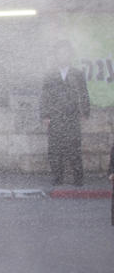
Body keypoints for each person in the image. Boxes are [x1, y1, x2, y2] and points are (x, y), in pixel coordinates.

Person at [40, 40, 90, 186]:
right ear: (56, 55)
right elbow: (44, 96)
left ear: (70, 55)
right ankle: (57, 177)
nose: (62, 56)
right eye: (60, 53)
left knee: (74, 147)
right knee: (55, 148)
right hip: (55, 117)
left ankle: (78, 178)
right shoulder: (50, 74)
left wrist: (85, 112)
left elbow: (84, 93)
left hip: (72, 115)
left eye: (65, 53)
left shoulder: (77, 74)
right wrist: (44, 115)